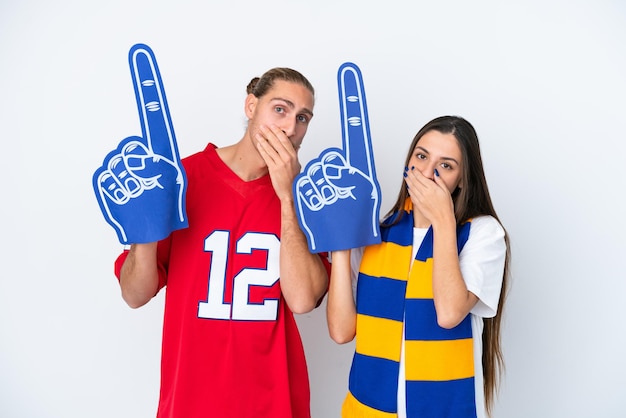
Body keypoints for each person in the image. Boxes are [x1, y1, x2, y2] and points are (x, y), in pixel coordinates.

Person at [114, 67, 330, 418]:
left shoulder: (311, 199)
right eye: (280, 109)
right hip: (189, 401)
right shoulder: (184, 180)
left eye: (303, 117)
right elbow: (134, 294)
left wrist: (289, 197)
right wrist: (145, 228)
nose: (291, 129)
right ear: (250, 106)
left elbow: (303, 300)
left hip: (274, 403)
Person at [327, 116, 510, 418]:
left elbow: (450, 314)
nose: (427, 173)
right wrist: (342, 242)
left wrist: (442, 220)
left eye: (446, 165)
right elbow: (341, 331)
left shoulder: (482, 233)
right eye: (421, 156)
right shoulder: (377, 232)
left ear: (462, 179)